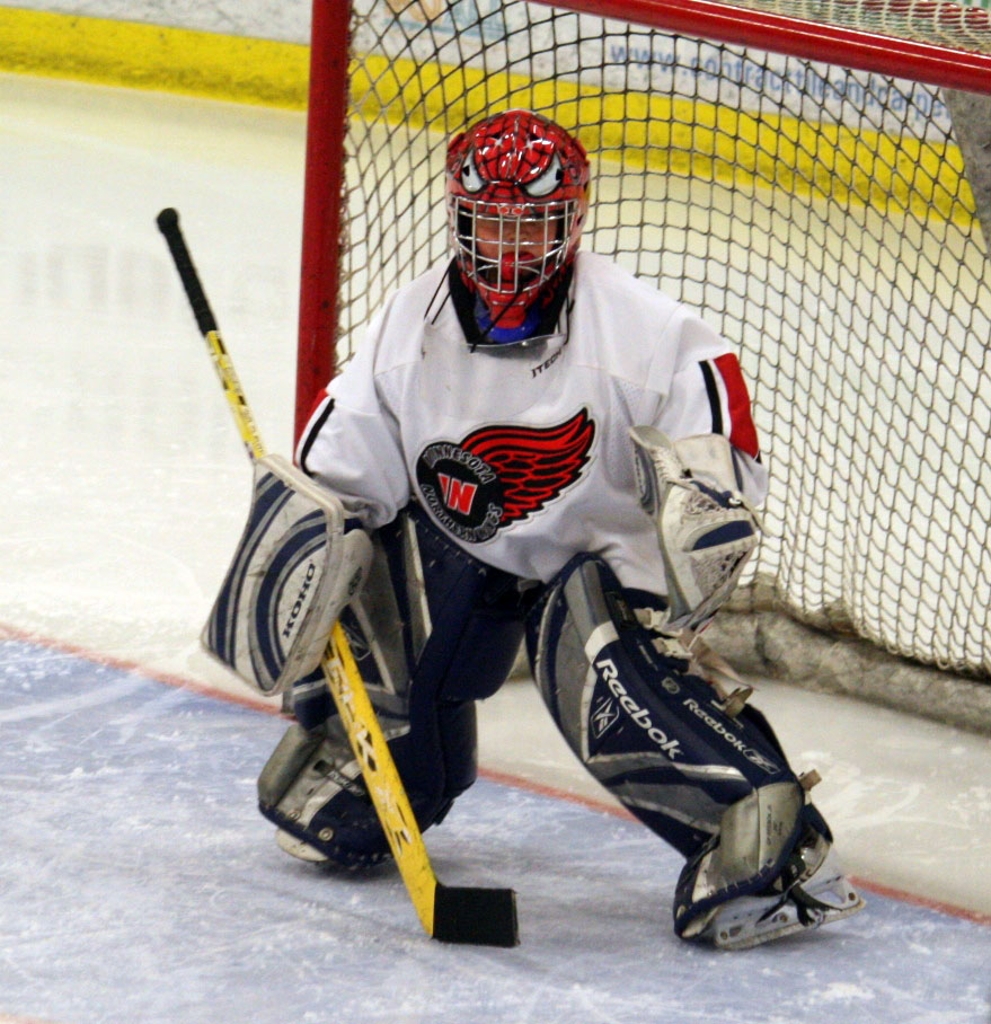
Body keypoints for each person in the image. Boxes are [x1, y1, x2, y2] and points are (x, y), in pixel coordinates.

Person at [214, 109, 864, 949]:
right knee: (371, 568)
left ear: (574, 220)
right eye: (487, 222)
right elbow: (331, 498)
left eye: (533, 225)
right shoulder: (403, 337)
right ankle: (375, 768)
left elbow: (719, 479)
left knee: (592, 652)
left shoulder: (646, 334)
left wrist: (695, 510)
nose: (506, 247)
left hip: (598, 573)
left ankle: (769, 835)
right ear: (457, 215)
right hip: (463, 551)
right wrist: (308, 589)